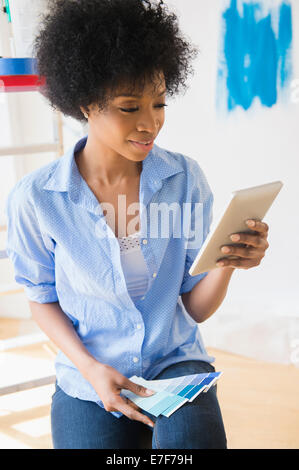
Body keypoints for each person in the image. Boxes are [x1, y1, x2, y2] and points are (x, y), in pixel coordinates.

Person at [5, 0, 269, 449]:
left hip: (175, 362)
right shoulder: (37, 198)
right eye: (129, 107)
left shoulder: (183, 178)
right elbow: (41, 297)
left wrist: (228, 261)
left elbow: (196, 308)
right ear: (86, 103)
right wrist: (89, 369)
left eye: (159, 104)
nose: (150, 124)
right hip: (88, 371)